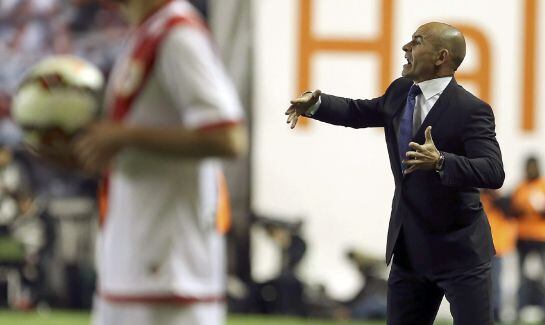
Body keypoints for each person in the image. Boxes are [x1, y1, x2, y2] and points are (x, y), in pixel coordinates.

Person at [285, 22, 504, 324]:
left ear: (441, 57)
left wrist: (442, 161)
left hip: (460, 251)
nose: (405, 48)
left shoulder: (471, 109)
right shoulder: (402, 92)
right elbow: (359, 112)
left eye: (416, 42)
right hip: (410, 248)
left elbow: (493, 171)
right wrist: (317, 105)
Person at [72, 1, 246, 324]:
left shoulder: (179, 35)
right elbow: (128, 146)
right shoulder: (147, 33)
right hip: (132, 262)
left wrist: (124, 137)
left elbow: (229, 137)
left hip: (171, 272)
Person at [511, 156, 545, 317]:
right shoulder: (520, 187)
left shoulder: (543, 185)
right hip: (524, 237)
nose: (530, 170)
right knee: (522, 275)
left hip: (541, 237)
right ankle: (520, 308)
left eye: (533, 167)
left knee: (542, 275)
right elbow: (512, 210)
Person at [480, 189, 517, 321]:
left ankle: (496, 311)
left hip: (497, 248)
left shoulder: (500, 200)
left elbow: (510, 213)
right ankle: (484, 312)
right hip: (481, 248)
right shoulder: (479, 198)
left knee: (495, 283)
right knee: (482, 284)